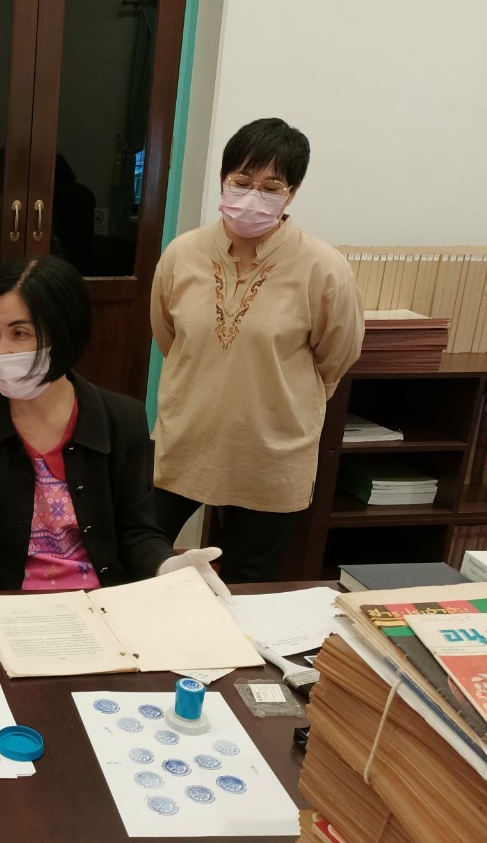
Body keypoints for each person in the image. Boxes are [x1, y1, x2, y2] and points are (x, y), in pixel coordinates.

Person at [0, 255, 228, 604]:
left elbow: (137, 531)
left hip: (100, 603)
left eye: (20, 333)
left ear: (63, 335)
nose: (0, 351)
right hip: (2, 605)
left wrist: (167, 565)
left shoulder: (122, 419)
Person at [150, 118, 364, 583]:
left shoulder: (324, 268)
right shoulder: (182, 254)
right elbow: (169, 337)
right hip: (187, 436)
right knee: (141, 558)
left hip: (271, 451)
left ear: (293, 193)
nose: (252, 196)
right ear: (222, 179)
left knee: (249, 583)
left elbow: (336, 357)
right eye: (242, 181)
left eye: (271, 187)